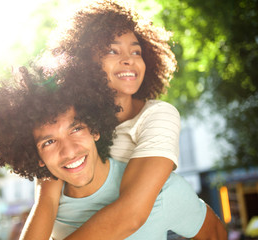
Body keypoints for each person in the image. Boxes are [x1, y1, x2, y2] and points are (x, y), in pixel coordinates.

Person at [27, 0, 227, 239]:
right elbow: (47, 199)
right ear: (83, 62)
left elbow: (133, 212)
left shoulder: (157, 116)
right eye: (112, 50)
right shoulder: (68, 123)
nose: (129, 59)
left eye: (136, 51)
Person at [0, 65, 227, 239]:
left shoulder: (160, 191)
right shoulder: (47, 209)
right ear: (37, 156)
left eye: (76, 128)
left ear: (95, 128)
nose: (69, 151)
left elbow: (215, 234)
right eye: (49, 142)